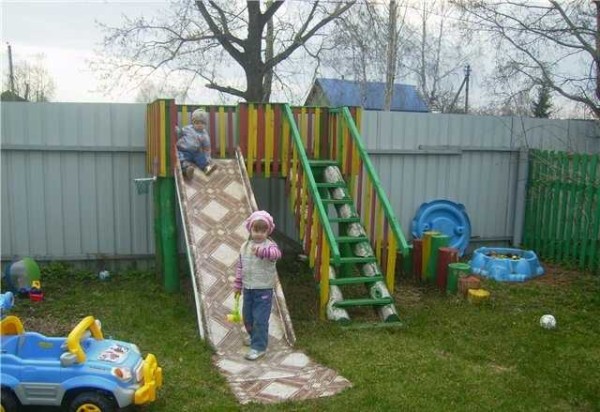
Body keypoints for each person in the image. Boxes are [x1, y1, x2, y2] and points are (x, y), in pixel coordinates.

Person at [233, 210, 282, 361]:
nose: (259, 234)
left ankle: (259, 347)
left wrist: (262, 252)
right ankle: (254, 337)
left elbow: (277, 255)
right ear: (250, 229)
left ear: (268, 231)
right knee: (247, 317)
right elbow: (240, 267)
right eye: (256, 230)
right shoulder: (245, 246)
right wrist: (238, 285)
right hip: (248, 288)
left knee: (260, 318)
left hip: (264, 290)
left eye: (263, 231)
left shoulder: (270, 246)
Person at [176, 109, 216, 179]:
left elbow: (207, 147)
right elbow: (179, 133)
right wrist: (176, 130)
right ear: (193, 123)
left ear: (205, 124)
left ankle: (206, 168)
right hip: (183, 150)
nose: (199, 125)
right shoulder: (187, 129)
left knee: (201, 157)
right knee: (180, 157)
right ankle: (187, 169)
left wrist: (208, 157)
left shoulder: (204, 135)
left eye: (202, 123)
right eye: (197, 123)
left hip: (195, 152)